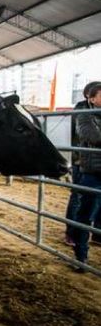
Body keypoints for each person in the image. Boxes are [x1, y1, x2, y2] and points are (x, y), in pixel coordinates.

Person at [73, 81, 101, 271]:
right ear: (91, 98)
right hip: (92, 172)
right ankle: (80, 256)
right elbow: (94, 137)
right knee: (84, 214)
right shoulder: (83, 115)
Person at [64, 83, 94, 246]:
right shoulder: (82, 110)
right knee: (77, 196)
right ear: (90, 96)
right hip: (81, 160)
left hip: (93, 162)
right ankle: (71, 232)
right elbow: (90, 136)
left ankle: (95, 233)